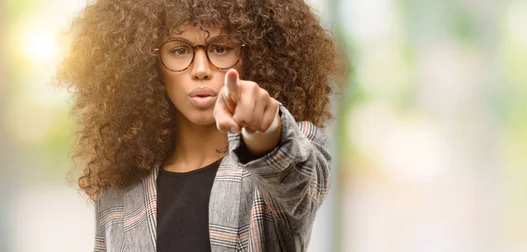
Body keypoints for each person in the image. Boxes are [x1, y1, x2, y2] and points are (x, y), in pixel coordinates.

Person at [55, 0, 343, 251]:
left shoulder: (278, 165)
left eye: (220, 49)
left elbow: (294, 174)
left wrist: (265, 130)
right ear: (149, 64)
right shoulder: (120, 189)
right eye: (179, 50)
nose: (201, 70)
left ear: (254, 56)